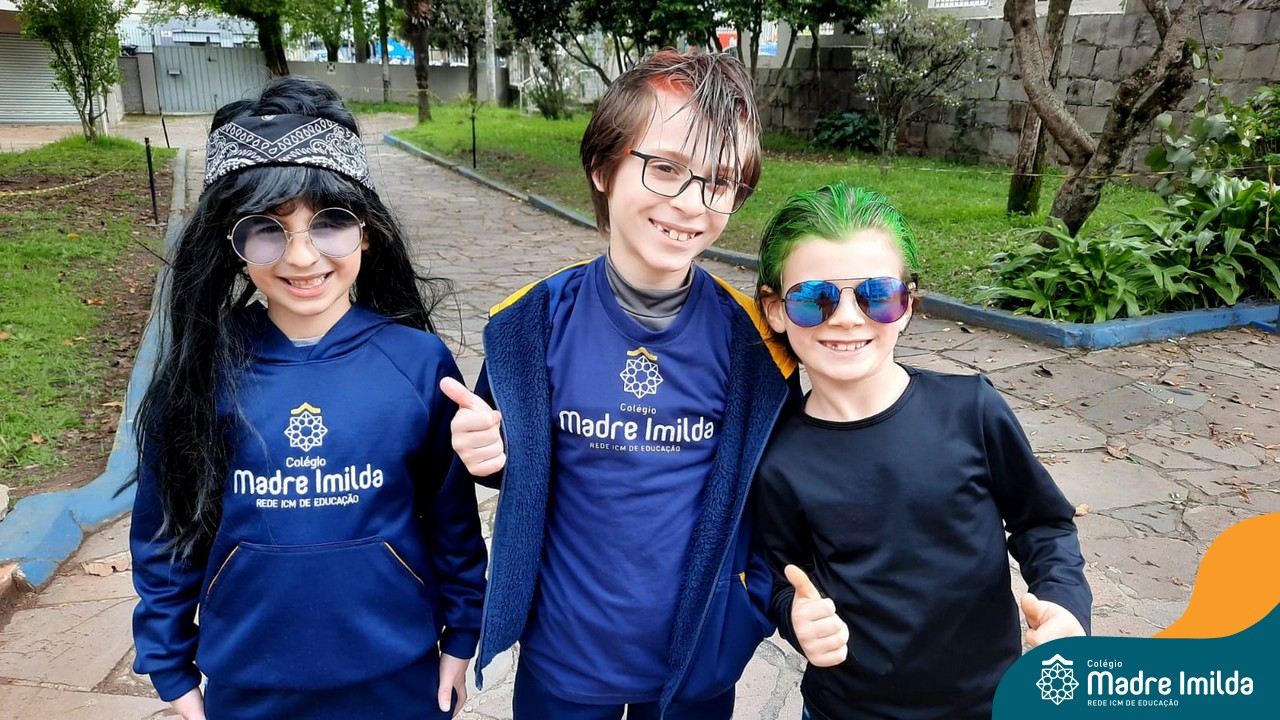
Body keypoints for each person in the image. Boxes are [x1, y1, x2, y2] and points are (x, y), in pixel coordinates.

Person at [440, 50, 800, 719]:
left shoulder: (756, 346)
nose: (689, 204)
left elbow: (783, 488)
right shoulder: (531, 324)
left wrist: (749, 607)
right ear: (604, 167)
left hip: (695, 666)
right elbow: (512, 461)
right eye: (665, 168)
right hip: (565, 662)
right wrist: (486, 457)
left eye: (720, 181)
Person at [127, 76, 487, 720]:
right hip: (250, 680)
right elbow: (166, 530)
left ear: (368, 231)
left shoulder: (417, 363)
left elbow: (451, 521)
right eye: (266, 230)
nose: (301, 256)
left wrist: (462, 636)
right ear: (231, 244)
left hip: (399, 676)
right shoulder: (202, 371)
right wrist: (169, 666)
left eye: (330, 224)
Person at [752, 182, 1091, 720]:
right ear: (775, 309)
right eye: (814, 298)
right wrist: (795, 618)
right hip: (846, 710)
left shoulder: (970, 409)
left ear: (906, 304)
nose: (847, 317)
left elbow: (1043, 522)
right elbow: (776, 575)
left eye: (876, 295)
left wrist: (1064, 602)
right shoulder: (776, 456)